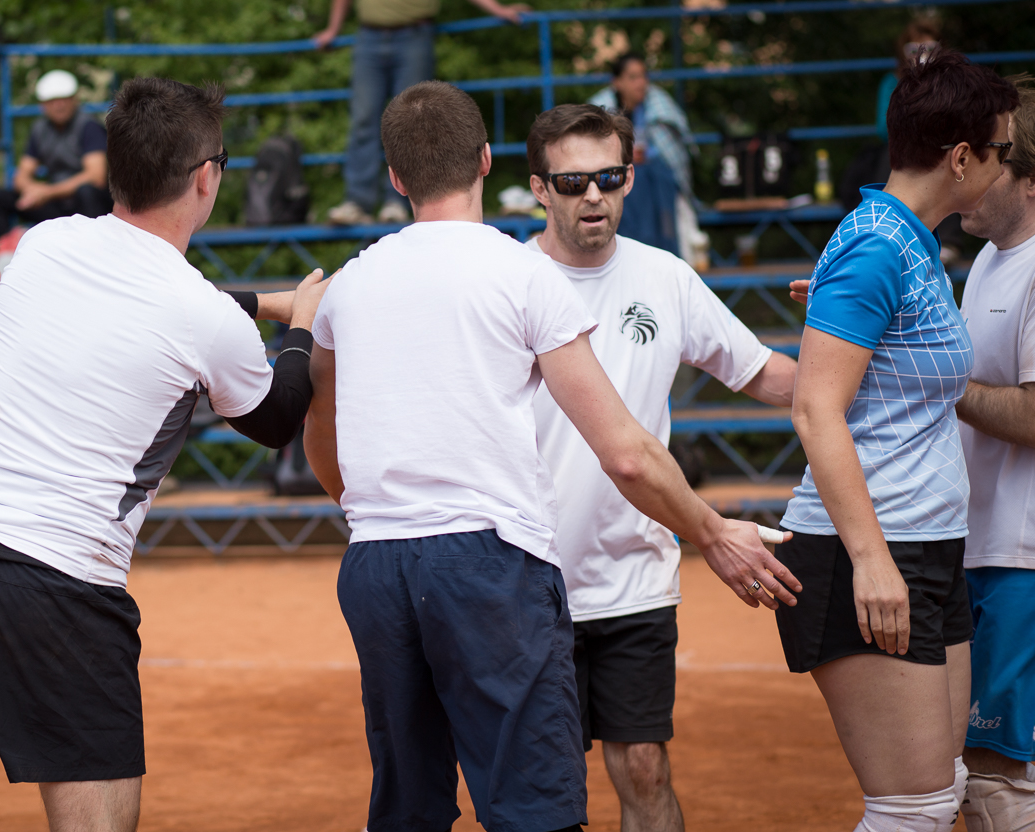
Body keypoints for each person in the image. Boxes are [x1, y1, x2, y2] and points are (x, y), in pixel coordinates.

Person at [0, 77, 330, 832]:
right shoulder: (200, 314)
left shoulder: (45, 245)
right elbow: (276, 418)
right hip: (61, 582)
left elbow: (135, 294)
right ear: (204, 179)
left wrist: (257, 303)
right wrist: (301, 325)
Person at [301, 80, 799, 832]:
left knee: (408, 802)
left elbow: (322, 427)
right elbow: (625, 451)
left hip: (378, 561)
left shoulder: (355, 279)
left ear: (395, 177)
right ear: (488, 161)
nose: (593, 194)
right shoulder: (522, 272)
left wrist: (365, 508)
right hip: (492, 561)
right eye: (573, 181)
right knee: (532, 804)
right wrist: (711, 529)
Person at [524, 103, 799, 832]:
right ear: (539, 189)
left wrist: (876, 367)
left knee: (645, 768)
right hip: (528, 578)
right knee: (540, 788)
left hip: (634, 575)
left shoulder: (664, 276)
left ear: (628, 178)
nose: (594, 196)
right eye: (573, 181)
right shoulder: (509, 281)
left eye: (610, 177)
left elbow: (764, 374)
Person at [776, 50, 1017, 832]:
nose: (1007, 165)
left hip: (926, 541)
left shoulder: (906, 241)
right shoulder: (878, 243)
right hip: (872, 550)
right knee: (912, 810)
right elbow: (816, 410)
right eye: (1001, 150)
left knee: (941, 794)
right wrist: (873, 559)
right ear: (961, 158)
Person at [314, 0, 528, 226]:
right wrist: (333, 29)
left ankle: (398, 201)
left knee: (411, 119)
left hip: (413, 37)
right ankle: (357, 201)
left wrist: (498, 8)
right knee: (364, 118)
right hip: (369, 38)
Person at [952, 83, 1035, 830]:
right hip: (983, 546)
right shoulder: (988, 259)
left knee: (1000, 776)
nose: (968, 171)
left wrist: (935, 377)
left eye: (991, 158)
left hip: (1023, 556)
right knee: (983, 771)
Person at [589, 53, 700, 262]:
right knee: (630, 180)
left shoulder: (658, 104)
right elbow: (590, 154)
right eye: (633, 77)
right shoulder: (600, 110)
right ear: (617, 82)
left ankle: (664, 255)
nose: (640, 83)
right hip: (620, 182)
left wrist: (647, 154)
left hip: (655, 179)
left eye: (643, 76)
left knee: (657, 175)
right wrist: (624, 156)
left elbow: (671, 152)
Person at [0, 69, 111, 237]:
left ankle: (95, 243)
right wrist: (33, 191)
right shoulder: (39, 129)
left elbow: (96, 177)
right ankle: (0, 249)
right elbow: (21, 175)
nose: (59, 105)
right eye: (52, 101)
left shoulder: (89, 126)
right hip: (56, 203)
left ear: (75, 99)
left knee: (87, 192)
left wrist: (47, 192)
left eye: (64, 99)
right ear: (42, 104)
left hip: (86, 205)